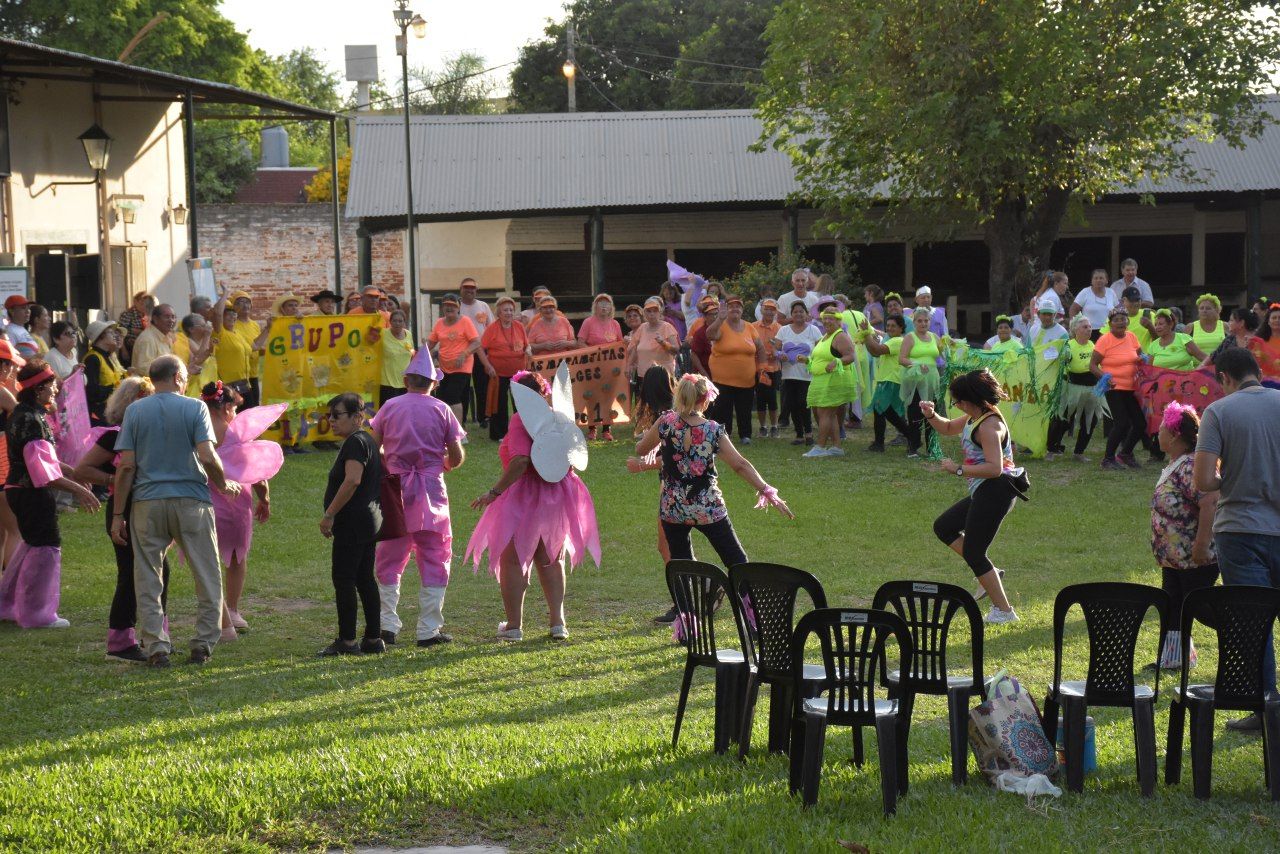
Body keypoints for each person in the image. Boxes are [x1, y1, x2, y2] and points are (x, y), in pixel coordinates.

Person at [110, 355, 241, 667]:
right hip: (192, 501)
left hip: (147, 503)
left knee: (147, 577)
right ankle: (203, 644)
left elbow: (126, 466)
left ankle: (156, 646)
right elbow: (207, 455)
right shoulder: (195, 407)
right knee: (207, 574)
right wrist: (223, 484)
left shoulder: (135, 411)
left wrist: (117, 514)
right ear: (179, 377)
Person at [467, 368, 600, 641]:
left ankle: (514, 626)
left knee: (514, 559)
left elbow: (520, 461)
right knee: (551, 558)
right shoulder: (558, 416)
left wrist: (494, 492)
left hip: (526, 496)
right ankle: (557, 623)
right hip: (557, 494)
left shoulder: (521, 419)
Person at [1193, 347, 1280, 730]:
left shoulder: (1219, 412)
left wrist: (1232, 476)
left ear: (1224, 377)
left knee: (1253, 622)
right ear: (1257, 371)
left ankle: (1265, 710)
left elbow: (1203, 480)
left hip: (1240, 530)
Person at [634, 373, 792, 573]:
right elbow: (740, 465)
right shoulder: (712, 430)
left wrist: (655, 439)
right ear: (705, 400)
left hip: (673, 507)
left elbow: (641, 449)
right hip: (708, 507)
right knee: (737, 562)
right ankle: (744, 595)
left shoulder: (665, 421)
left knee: (683, 564)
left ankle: (688, 595)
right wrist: (766, 490)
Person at [370, 348, 466, 648]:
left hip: (395, 491)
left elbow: (373, 448)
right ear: (433, 383)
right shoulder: (442, 409)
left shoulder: (389, 407)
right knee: (436, 555)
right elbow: (456, 456)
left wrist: (391, 462)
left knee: (389, 557)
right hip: (431, 493)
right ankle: (428, 629)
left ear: (406, 380)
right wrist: (441, 465)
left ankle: (386, 625)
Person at [0, 360, 100, 629]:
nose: (56, 390)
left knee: (31, 545)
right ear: (38, 389)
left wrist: (74, 473)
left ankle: (7, 605)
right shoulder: (31, 419)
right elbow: (43, 473)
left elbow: (46, 460)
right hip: (30, 492)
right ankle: (37, 614)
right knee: (46, 547)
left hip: (19, 489)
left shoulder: (24, 413)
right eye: (52, 385)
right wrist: (80, 490)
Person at [72, 377, 163, 662]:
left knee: (161, 570)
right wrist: (116, 480)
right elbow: (82, 470)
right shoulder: (114, 436)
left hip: (150, 507)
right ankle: (121, 642)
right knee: (130, 573)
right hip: (122, 510)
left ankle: (157, 637)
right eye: (145, 399)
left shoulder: (152, 433)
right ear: (130, 403)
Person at [926, 369, 1024, 624]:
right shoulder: (974, 417)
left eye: (957, 401)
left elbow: (994, 468)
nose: (956, 406)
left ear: (969, 400)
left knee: (974, 553)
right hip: (984, 491)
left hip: (996, 492)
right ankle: (990, 574)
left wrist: (958, 469)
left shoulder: (990, 426)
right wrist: (931, 415)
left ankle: (1004, 611)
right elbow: (948, 427)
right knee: (944, 527)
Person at [201, 382, 281, 641]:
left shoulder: (197, 431)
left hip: (203, 503)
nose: (235, 413)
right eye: (234, 408)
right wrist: (265, 499)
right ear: (225, 407)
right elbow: (256, 471)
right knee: (237, 557)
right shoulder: (235, 435)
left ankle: (217, 611)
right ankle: (232, 610)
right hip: (234, 504)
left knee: (207, 559)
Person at [1150, 402, 1218, 671]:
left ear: (1175, 435)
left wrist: (1202, 544)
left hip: (1195, 557)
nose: (1157, 432)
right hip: (1175, 559)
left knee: (1200, 607)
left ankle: (1245, 629)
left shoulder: (1191, 465)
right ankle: (1174, 659)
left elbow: (1210, 501)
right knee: (1172, 606)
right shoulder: (1176, 464)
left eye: (1162, 428)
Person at [318, 392, 386, 655]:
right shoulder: (366, 440)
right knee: (364, 578)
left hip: (353, 522)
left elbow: (352, 480)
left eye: (337, 415)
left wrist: (330, 514)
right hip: (368, 520)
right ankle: (373, 638)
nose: (332, 421)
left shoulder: (355, 443)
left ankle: (347, 641)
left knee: (345, 579)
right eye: (330, 416)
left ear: (358, 417)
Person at [1046, 315, 1107, 462]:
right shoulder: (1068, 345)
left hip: (1091, 389)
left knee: (1090, 421)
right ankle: (1051, 449)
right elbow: (1057, 364)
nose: (1089, 329)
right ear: (1075, 330)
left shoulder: (1093, 345)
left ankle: (1079, 452)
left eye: (1090, 326)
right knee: (1063, 420)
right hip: (1072, 389)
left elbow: (1098, 365)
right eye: (1085, 327)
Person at [1091, 307, 1146, 470]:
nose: (1120, 322)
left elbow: (1140, 356)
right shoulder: (1104, 340)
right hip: (1113, 387)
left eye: (1123, 319)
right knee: (1121, 423)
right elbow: (1092, 365)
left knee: (1140, 423)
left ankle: (1125, 454)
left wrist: (1142, 360)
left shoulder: (1132, 337)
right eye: (1116, 320)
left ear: (1127, 322)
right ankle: (1108, 459)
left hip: (1131, 387)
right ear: (1110, 324)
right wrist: (1104, 378)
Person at [706, 296, 763, 445]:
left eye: (738, 306)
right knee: (723, 409)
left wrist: (762, 367)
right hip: (722, 379)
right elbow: (710, 334)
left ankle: (745, 435)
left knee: (744, 408)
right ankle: (723, 435)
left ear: (742, 310)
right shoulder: (721, 325)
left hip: (747, 379)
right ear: (726, 309)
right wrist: (719, 319)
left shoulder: (750, 327)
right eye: (731, 306)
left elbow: (760, 348)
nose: (735, 309)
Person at [804, 308, 856, 457]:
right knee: (828, 414)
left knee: (825, 413)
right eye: (825, 318)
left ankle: (820, 447)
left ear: (839, 321)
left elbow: (850, 356)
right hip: (822, 379)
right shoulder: (825, 336)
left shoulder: (840, 336)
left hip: (834, 380)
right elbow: (821, 358)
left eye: (831, 318)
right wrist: (807, 360)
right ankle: (836, 447)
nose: (827, 321)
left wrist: (837, 362)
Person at [480, 296, 530, 441]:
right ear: (498, 313)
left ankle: (522, 432)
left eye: (511, 310)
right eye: (505, 310)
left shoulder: (519, 326)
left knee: (520, 402)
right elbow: (480, 348)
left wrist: (528, 350)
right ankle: (500, 434)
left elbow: (527, 345)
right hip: (498, 373)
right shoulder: (492, 329)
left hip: (519, 372)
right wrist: (487, 365)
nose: (508, 313)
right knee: (499, 403)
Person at [899, 306, 946, 459]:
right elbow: (902, 359)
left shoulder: (934, 337)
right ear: (914, 322)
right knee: (915, 412)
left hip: (932, 379)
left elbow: (944, 353)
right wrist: (916, 364)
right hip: (916, 380)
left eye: (926, 321)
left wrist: (951, 345)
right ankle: (913, 447)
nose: (923, 324)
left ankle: (932, 448)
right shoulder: (910, 337)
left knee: (932, 413)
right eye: (919, 321)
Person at [428, 293, 482, 425]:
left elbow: (476, 342)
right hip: (444, 367)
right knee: (441, 397)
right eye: (446, 305)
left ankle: (457, 431)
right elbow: (430, 344)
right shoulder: (439, 323)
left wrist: (464, 354)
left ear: (458, 308)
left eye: (452, 305)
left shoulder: (465, 321)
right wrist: (419, 355)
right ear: (442, 307)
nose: (449, 308)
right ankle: (445, 427)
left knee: (452, 396)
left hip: (462, 367)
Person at [577, 293, 625, 441]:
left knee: (608, 397)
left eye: (607, 303)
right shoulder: (588, 322)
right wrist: (594, 353)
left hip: (610, 367)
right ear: (595, 306)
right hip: (592, 367)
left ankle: (606, 429)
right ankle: (592, 428)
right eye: (601, 303)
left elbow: (620, 344)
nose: (604, 306)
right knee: (592, 396)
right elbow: (580, 342)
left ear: (611, 307)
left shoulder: (615, 324)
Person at [774, 300, 822, 446]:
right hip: (788, 375)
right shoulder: (784, 330)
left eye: (801, 311)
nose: (798, 314)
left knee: (803, 402)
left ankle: (809, 433)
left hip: (806, 375)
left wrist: (810, 360)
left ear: (806, 314)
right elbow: (775, 350)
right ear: (791, 314)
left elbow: (820, 351)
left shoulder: (814, 330)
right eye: (795, 312)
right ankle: (799, 434)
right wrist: (780, 355)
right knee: (792, 404)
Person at [865, 314, 914, 453]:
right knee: (884, 412)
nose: (890, 328)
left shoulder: (898, 341)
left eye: (893, 326)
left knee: (884, 411)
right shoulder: (893, 340)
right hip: (888, 380)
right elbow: (875, 352)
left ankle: (881, 443)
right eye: (888, 326)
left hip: (891, 380)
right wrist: (867, 337)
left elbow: (876, 350)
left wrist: (866, 334)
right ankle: (881, 442)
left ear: (901, 328)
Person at [456, 278, 493, 427]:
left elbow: (491, 327)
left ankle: (484, 418)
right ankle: (462, 418)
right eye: (466, 287)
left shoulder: (483, 306)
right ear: (461, 289)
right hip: (462, 352)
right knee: (462, 386)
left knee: (482, 385)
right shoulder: (457, 306)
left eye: (472, 288)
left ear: (476, 290)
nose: (469, 290)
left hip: (481, 351)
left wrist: (490, 349)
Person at [82, 319, 125, 426]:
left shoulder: (107, 356)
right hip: (99, 415)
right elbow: (92, 392)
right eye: (110, 332)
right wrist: (114, 388)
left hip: (110, 410)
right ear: (101, 337)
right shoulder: (92, 358)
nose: (114, 335)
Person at [628, 296, 680, 378]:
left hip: (663, 376)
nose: (652, 314)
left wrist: (663, 343)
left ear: (660, 312)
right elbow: (635, 348)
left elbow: (676, 351)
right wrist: (629, 366)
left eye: (655, 311)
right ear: (644, 313)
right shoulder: (642, 327)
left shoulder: (667, 327)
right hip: (643, 375)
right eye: (649, 311)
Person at [753, 299, 782, 438]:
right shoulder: (752, 326)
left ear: (775, 312)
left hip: (773, 368)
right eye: (767, 309)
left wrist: (775, 353)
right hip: (757, 368)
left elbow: (782, 347)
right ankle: (763, 426)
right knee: (760, 398)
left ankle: (774, 426)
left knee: (772, 398)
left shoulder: (780, 328)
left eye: (772, 309)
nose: (769, 312)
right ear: (761, 310)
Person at [214, 301, 253, 404]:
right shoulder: (219, 333)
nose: (232, 316)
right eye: (228, 314)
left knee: (249, 413)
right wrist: (226, 293)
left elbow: (254, 347)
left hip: (244, 384)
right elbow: (217, 314)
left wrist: (267, 329)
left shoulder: (238, 333)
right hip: (228, 385)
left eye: (234, 313)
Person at [228, 292, 262, 408]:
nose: (245, 305)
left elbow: (257, 346)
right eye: (240, 302)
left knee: (255, 406)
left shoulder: (255, 325)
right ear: (234, 307)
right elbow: (250, 347)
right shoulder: (232, 325)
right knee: (244, 408)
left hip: (253, 372)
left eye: (247, 302)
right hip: (240, 376)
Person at [378, 308, 415, 407]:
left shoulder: (409, 334)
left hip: (405, 383)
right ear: (390, 322)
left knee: (403, 411)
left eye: (400, 321)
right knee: (389, 411)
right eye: (394, 321)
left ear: (404, 322)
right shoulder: (382, 333)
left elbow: (412, 354)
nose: (397, 323)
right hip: (387, 383)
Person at [177, 313, 217, 398]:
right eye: (203, 326)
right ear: (191, 329)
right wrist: (207, 336)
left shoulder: (207, 341)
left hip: (210, 385)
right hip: (195, 388)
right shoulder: (187, 341)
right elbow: (199, 358)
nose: (206, 328)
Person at [130, 303, 177, 375]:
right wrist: (168, 373)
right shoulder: (147, 339)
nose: (171, 320)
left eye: (173, 317)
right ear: (155, 319)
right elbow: (144, 368)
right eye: (167, 317)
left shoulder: (167, 337)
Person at [1070, 269, 1119, 334]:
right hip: (1088, 331)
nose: (1098, 280)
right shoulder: (1085, 292)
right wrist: (1075, 326)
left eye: (1101, 278)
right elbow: (1073, 309)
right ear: (1092, 281)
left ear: (1106, 280)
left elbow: (1117, 309)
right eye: (1096, 278)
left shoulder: (1111, 292)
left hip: (1108, 331)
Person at [1246, 302, 1280, 378]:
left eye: (1279, 318)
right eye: (1274, 318)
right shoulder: (1258, 341)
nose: (1277, 320)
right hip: (1264, 382)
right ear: (1268, 322)